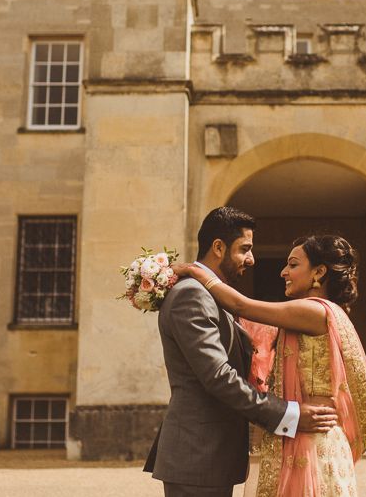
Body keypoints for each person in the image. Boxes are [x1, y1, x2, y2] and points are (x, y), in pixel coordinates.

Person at [143, 207, 338, 497]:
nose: (252, 259)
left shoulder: (211, 295)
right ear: (218, 247)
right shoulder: (192, 295)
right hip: (198, 453)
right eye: (245, 249)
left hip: (210, 454)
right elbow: (219, 377)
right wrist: (288, 413)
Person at [173, 233, 366, 497]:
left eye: (293, 265)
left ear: (319, 272)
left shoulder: (314, 311)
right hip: (313, 435)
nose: (283, 272)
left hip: (311, 440)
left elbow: (240, 305)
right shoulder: (324, 312)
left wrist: (195, 271)